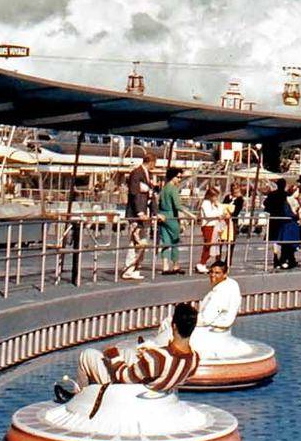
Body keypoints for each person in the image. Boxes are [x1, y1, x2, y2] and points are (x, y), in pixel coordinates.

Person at [56, 302, 200, 402]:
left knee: (87, 355)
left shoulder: (157, 358)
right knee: (129, 353)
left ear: (173, 326)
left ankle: (80, 398)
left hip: (127, 393)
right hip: (155, 390)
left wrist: (112, 355)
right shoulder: (194, 359)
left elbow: (123, 377)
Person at [123, 153, 158, 280]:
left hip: (145, 213)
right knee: (135, 241)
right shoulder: (136, 173)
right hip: (136, 214)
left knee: (142, 242)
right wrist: (139, 212)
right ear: (151, 162)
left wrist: (155, 212)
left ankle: (135, 267)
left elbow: (151, 195)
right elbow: (134, 193)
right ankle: (129, 269)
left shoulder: (149, 175)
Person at [156, 167, 189, 275]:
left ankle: (165, 266)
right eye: (178, 177)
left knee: (165, 242)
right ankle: (175, 265)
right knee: (175, 241)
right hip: (171, 216)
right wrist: (190, 214)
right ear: (173, 177)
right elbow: (178, 206)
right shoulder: (173, 189)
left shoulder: (164, 188)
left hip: (162, 215)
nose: (179, 179)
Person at [197, 187, 228, 273]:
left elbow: (220, 210)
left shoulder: (212, 203)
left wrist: (218, 206)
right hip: (208, 226)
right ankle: (202, 263)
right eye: (215, 196)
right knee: (208, 245)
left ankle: (203, 263)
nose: (216, 198)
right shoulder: (205, 203)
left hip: (214, 226)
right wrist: (218, 214)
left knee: (212, 245)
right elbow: (208, 214)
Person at [276, 183, 301, 269]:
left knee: (292, 245)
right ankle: (283, 260)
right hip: (287, 226)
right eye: (297, 191)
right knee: (286, 244)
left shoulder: (297, 202)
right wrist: (295, 214)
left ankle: (291, 259)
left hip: (293, 225)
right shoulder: (287, 201)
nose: (298, 193)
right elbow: (288, 213)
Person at [263, 178, 288, 263]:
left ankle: (275, 255)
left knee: (274, 239)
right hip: (283, 219)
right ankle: (281, 257)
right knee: (282, 238)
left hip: (273, 218)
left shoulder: (272, 194)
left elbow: (265, 203)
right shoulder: (286, 195)